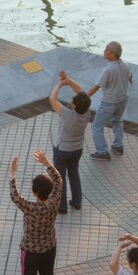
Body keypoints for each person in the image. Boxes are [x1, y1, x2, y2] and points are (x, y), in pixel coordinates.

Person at [9, 149, 62, 275]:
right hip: (50, 248)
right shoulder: (54, 201)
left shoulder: (30, 207)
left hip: (31, 251)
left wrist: (13, 174)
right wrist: (47, 163)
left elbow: (14, 196)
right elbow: (59, 180)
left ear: (34, 192)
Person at [49, 70, 91, 214]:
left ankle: (62, 206)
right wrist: (69, 81)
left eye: (73, 100)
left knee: (59, 177)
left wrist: (61, 84)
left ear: (74, 106)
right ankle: (77, 201)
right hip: (77, 149)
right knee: (74, 173)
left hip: (62, 150)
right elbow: (82, 93)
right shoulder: (86, 113)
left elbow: (52, 99)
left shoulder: (67, 114)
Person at [88, 41, 132, 161]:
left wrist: (84, 97)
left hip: (109, 102)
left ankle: (102, 151)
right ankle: (118, 146)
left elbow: (97, 86)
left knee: (97, 126)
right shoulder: (126, 64)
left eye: (106, 49)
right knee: (117, 121)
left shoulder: (108, 70)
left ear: (112, 54)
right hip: (123, 100)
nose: (104, 51)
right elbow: (129, 76)